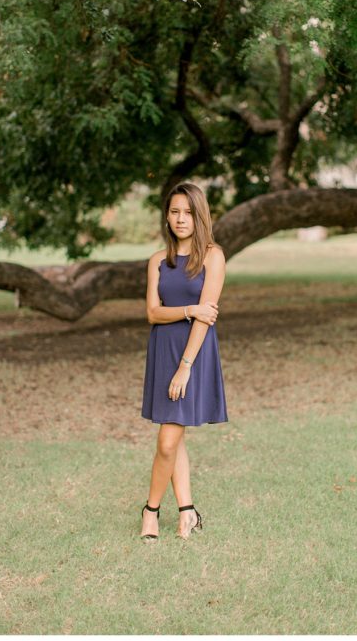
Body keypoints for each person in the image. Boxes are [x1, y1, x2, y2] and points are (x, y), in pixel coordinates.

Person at [139, 181, 227, 542]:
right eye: (174, 212)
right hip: (163, 349)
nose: (180, 219)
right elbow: (152, 313)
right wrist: (189, 309)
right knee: (174, 438)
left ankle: (150, 512)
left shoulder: (212, 256)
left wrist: (186, 367)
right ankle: (187, 512)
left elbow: (207, 319)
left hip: (193, 352)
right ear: (167, 216)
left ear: (199, 215)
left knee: (168, 441)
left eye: (188, 212)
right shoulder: (158, 261)